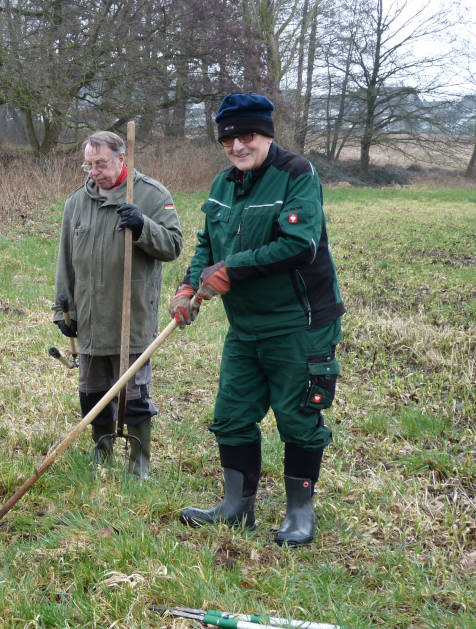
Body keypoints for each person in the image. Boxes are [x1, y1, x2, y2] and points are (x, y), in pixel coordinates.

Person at [169, 93, 345, 546]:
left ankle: (299, 515)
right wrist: (190, 287)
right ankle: (236, 507)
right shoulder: (222, 185)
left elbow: (299, 244)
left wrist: (233, 270)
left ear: (266, 134)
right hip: (245, 326)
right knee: (231, 414)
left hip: (300, 323)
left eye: (247, 136)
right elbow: (208, 245)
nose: (237, 146)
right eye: (228, 139)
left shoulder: (296, 174)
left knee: (299, 418)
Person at [54, 130, 183, 479]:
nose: (94, 171)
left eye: (102, 164)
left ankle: (138, 461)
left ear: (121, 159)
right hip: (89, 314)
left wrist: (143, 226)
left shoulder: (151, 195)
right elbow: (66, 261)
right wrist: (61, 309)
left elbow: (173, 245)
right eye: (89, 165)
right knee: (91, 390)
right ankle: (102, 450)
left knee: (134, 391)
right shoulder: (76, 204)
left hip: (132, 312)